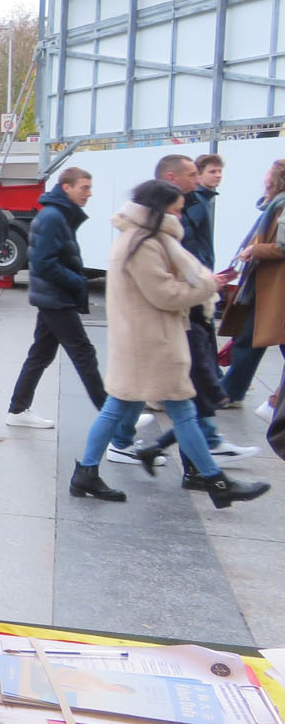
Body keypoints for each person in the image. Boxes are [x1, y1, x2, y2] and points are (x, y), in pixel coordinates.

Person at [69, 180, 269, 508]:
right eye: (177, 207)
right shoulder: (143, 243)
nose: (181, 211)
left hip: (144, 340)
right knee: (181, 410)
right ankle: (214, 480)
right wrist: (206, 288)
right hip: (152, 342)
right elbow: (164, 294)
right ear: (160, 209)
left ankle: (88, 472)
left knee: (126, 408)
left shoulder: (143, 238)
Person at [129, 154, 256, 474]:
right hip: (180, 318)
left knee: (189, 397)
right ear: (171, 182)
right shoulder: (152, 236)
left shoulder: (179, 215)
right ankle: (206, 469)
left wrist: (206, 284)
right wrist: (205, 286)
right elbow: (168, 285)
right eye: (196, 173)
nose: (202, 178)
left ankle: (197, 466)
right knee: (189, 395)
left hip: (185, 315)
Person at [5, 167, 106, 429]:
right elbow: (44, 263)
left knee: (40, 354)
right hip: (55, 298)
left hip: (52, 298)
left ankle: (17, 409)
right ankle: (112, 416)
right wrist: (78, 282)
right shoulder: (52, 217)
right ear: (66, 187)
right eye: (84, 187)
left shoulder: (58, 215)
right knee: (83, 352)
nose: (89, 193)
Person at [219, 159, 285, 407]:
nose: (264, 180)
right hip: (266, 284)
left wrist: (255, 250)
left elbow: (283, 246)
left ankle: (231, 393)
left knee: (258, 336)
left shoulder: (283, 204)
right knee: (248, 337)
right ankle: (230, 392)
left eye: (267, 176)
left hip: (275, 286)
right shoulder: (274, 205)